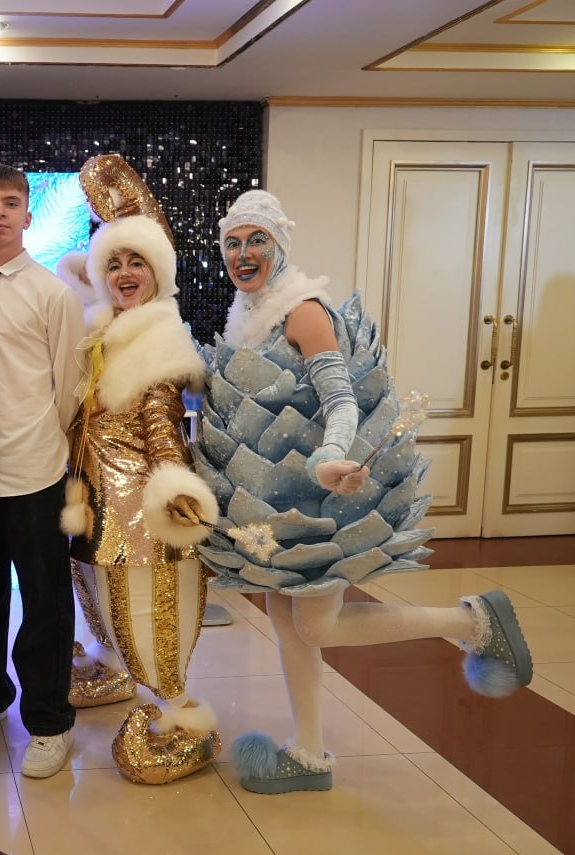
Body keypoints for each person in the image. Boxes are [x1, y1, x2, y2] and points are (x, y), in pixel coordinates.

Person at [195, 189, 534, 794]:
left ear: (280, 245)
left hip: (317, 499)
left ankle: (471, 620)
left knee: (318, 628)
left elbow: (341, 400)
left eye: (257, 241)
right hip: (273, 505)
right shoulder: (247, 312)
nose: (243, 254)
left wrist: (330, 455)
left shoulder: (302, 309)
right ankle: (309, 753)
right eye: (233, 243)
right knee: (288, 625)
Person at [58, 154, 220, 785]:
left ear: (158, 272)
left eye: (136, 262)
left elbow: (162, 424)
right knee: (102, 601)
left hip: (140, 511)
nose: (124, 274)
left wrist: (175, 485)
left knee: (148, 611)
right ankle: (115, 667)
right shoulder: (104, 331)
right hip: (97, 500)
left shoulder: (157, 337)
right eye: (114, 263)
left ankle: (182, 714)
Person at [0, 165, 87, 779]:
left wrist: (43, 442)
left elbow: (70, 384)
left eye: (10, 203)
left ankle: (50, 722)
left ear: (28, 215)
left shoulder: (53, 293)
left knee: (44, 601)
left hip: (33, 467)